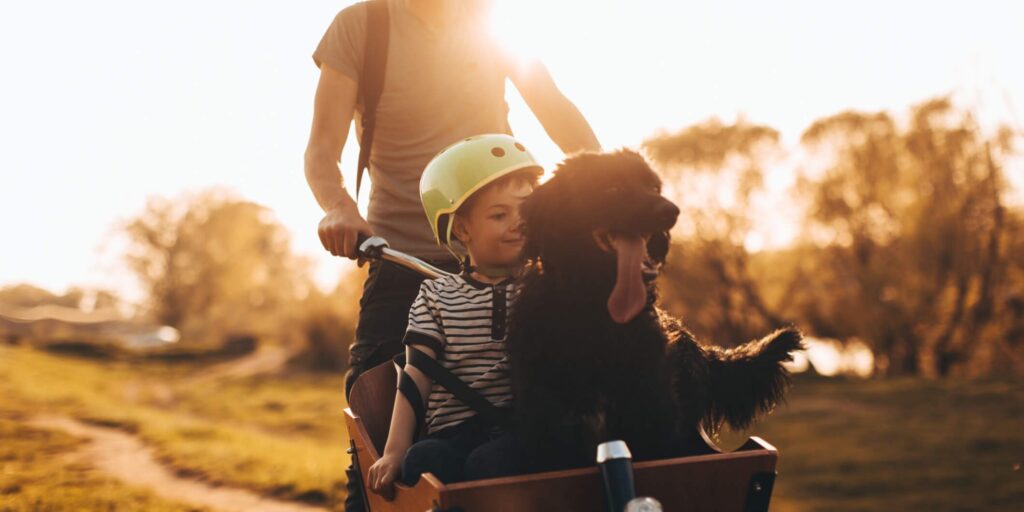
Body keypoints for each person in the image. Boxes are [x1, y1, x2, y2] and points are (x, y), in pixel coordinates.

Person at [365, 134, 540, 497]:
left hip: (523, 426)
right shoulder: (436, 295)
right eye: (499, 214)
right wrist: (395, 449)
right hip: (453, 430)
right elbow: (415, 375)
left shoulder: (543, 286)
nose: (517, 223)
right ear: (461, 229)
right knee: (422, 462)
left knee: (492, 463)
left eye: (526, 212)